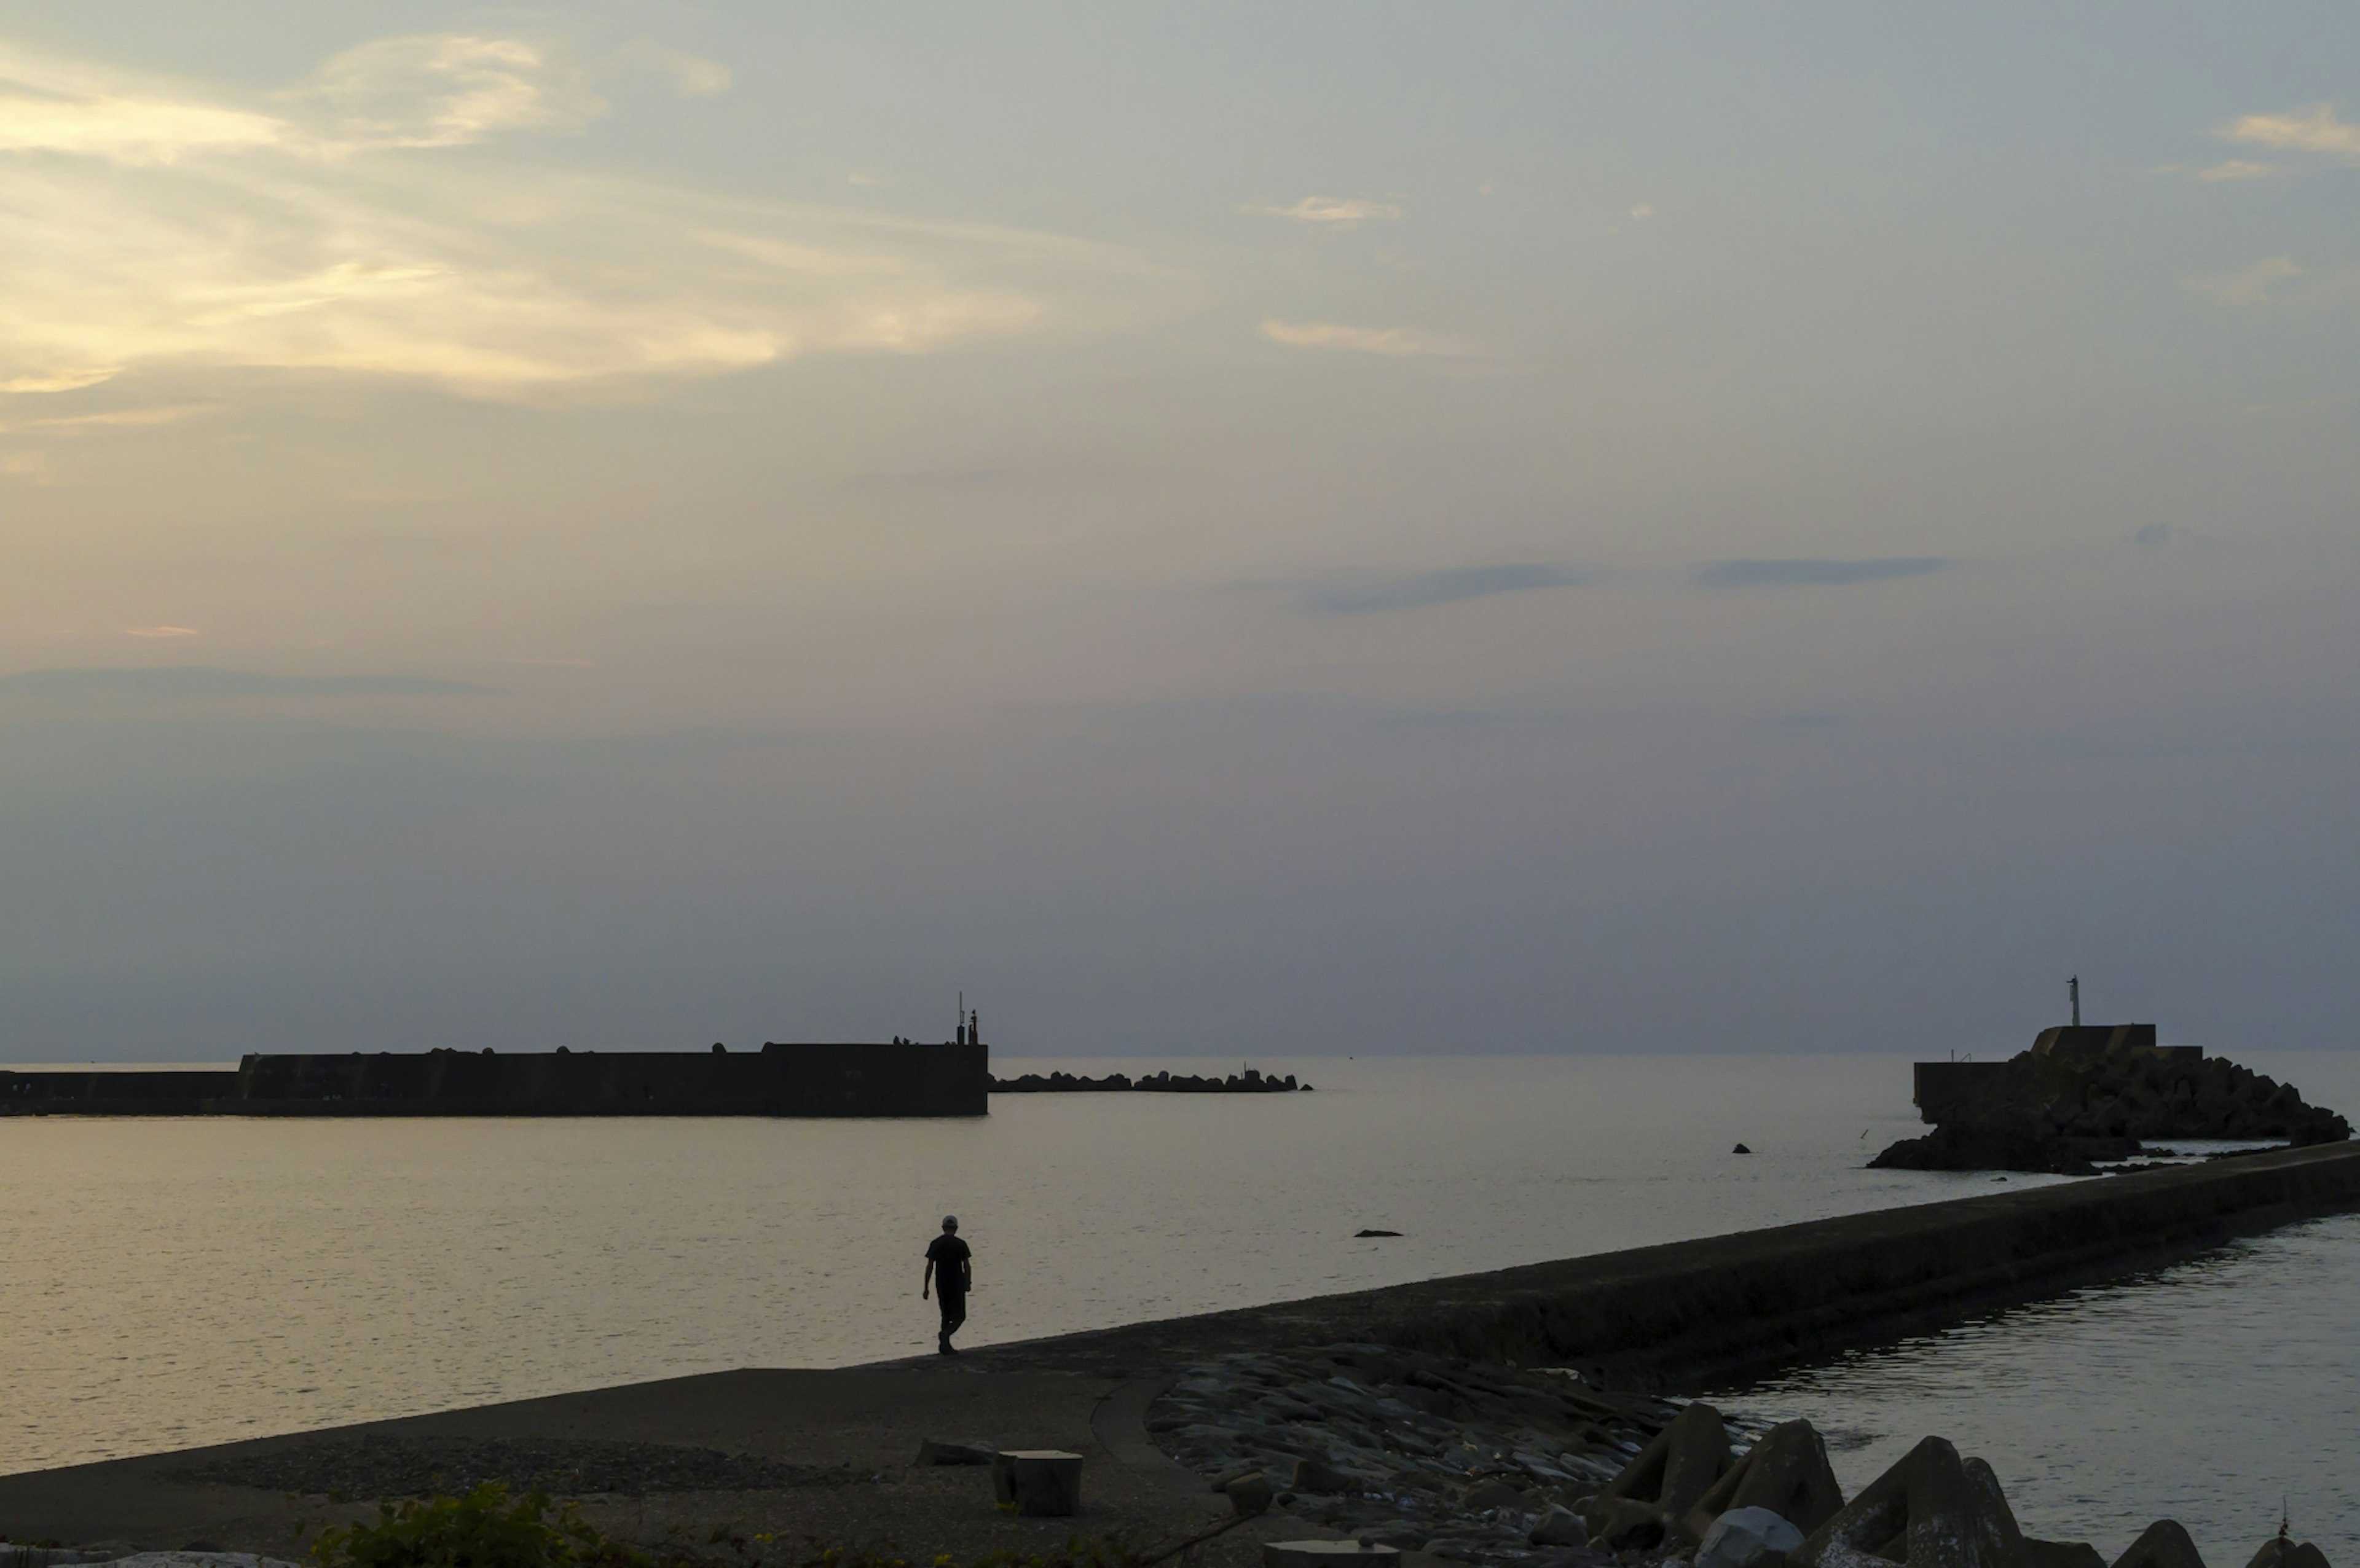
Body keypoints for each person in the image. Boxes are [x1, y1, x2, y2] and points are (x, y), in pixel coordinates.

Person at [921, 1215, 972, 1355]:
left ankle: (945, 1345)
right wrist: (968, 1282)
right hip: (957, 1283)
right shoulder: (961, 1244)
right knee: (960, 1315)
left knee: (945, 1315)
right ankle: (946, 1335)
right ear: (956, 1228)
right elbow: (967, 1266)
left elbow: (929, 1266)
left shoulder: (936, 1243)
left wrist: (926, 1287)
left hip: (941, 1283)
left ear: (943, 1228)